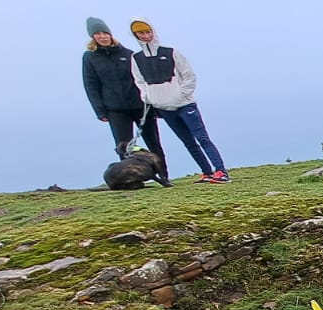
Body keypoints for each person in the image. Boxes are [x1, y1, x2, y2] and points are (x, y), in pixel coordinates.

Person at [128, 17, 231, 184]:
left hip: (184, 104)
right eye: (141, 33)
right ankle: (207, 172)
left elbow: (189, 75)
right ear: (135, 35)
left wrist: (181, 94)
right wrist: (148, 97)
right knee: (188, 142)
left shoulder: (171, 52)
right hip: (164, 108)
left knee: (202, 138)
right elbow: (139, 80)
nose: (146, 36)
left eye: (148, 31)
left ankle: (221, 171)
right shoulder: (136, 58)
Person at [82, 17, 167, 181]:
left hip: (140, 106)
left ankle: (164, 175)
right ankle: (129, 180)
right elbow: (91, 85)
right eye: (98, 34)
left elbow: (145, 80)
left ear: (110, 34)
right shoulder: (90, 58)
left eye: (105, 33)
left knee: (153, 142)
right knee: (124, 146)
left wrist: (155, 106)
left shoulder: (129, 54)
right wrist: (100, 111)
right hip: (115, 109)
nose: (102, 37)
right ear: (93, 37)